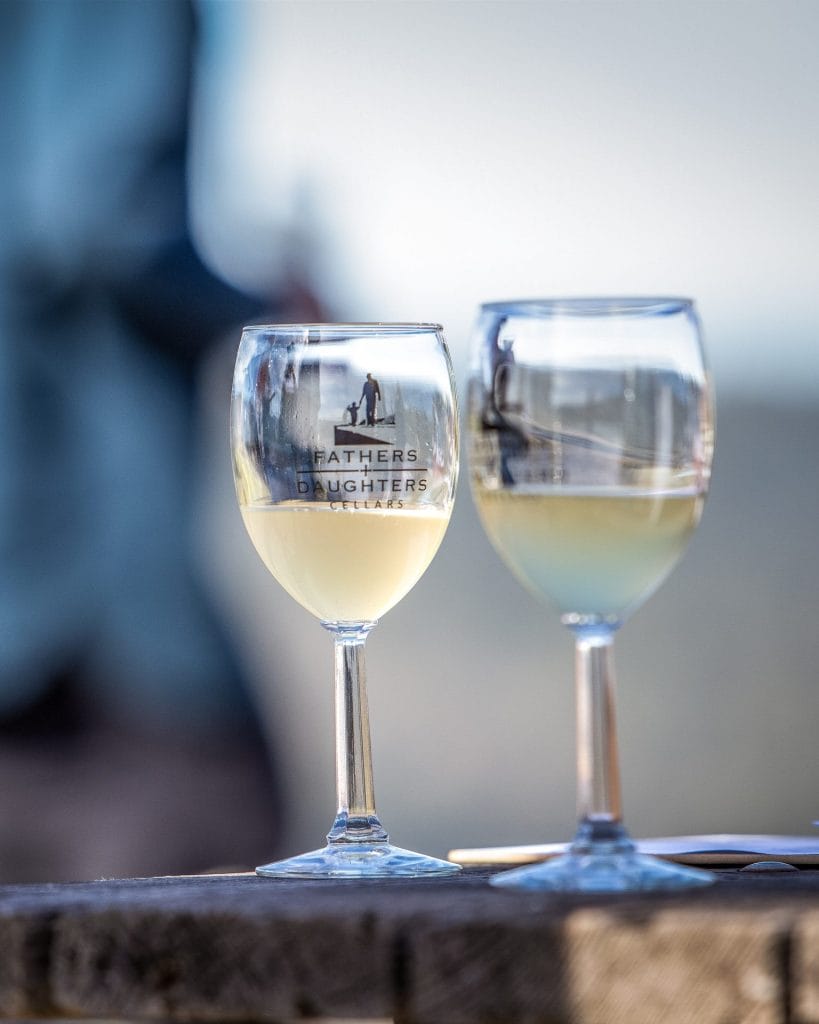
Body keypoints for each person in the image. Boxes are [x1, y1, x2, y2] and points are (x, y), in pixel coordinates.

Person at [0, 0, 323, 881]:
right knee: (223, 835)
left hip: (29, 619)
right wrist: (274, 311)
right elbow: (94, 216)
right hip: (97, 630)